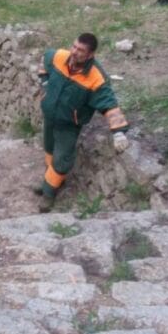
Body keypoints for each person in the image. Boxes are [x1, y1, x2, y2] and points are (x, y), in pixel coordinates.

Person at [34, 33, 129, 212]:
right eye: (74, 47)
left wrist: (118, 132)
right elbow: (44, 60)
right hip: (50, 116)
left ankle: (48, 194)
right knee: (48, 148)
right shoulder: (59, 56)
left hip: (69, 124)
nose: (74, 52)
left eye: (80, 50)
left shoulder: (96, 77)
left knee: (62, 159)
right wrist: (44, 84)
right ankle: (49, 181)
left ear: (90, 54)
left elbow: (109, 104)